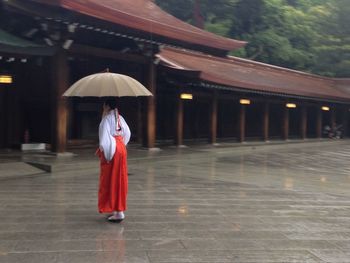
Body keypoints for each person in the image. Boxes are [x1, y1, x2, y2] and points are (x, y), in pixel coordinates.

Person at [96, 98, 131, 222]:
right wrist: (121, 145)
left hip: (113, 151)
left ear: (106, 106)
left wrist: (108, 155)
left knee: (110, 180)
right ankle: (118, 209)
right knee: (120, 179)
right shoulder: (120, 118)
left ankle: (118, 212)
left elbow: (104, 140)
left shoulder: (106, 119)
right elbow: (127, 134)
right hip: (121, 148)